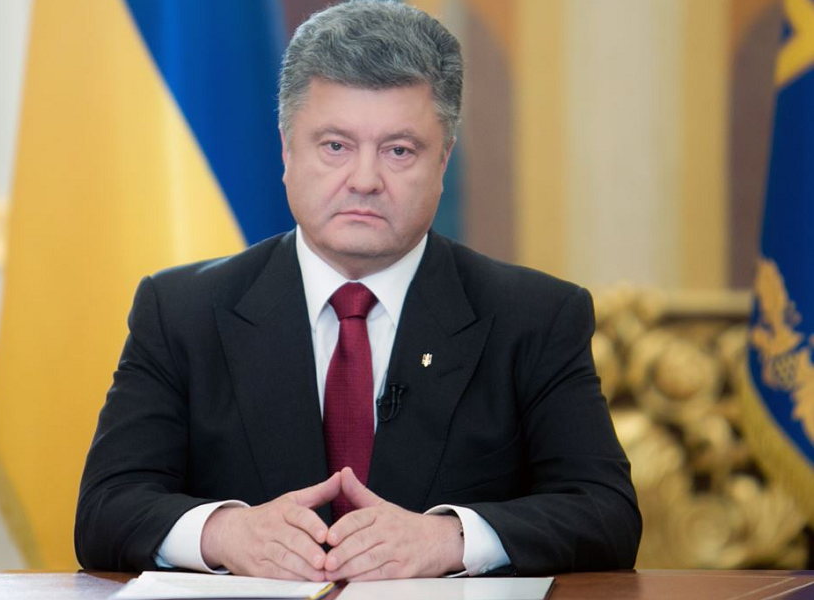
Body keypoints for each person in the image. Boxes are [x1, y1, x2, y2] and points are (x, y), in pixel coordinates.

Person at [75, 0, 641, 581]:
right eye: (335, 146)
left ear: (443, 160)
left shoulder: (536, 317)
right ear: (286, 150)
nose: (365, 180)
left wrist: (451, 539)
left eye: (399, 150)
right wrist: (222, 531)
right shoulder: (181, 312)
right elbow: (105, 510)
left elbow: (606, 513)